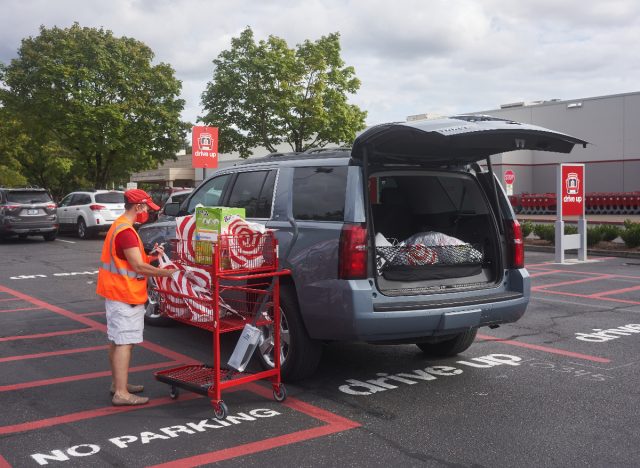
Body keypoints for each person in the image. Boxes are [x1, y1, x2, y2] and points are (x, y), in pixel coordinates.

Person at [96, 188, 178, 406]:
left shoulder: (120, 226)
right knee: (125, 343)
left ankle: (118, 384)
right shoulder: (126, 232)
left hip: (116, 292)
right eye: (147, 208)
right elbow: (137, 265)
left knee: (117, 340)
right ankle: (121, 393)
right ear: (138, 207)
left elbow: (132, 260)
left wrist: (153, 257)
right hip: (125, 294)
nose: (148, 213)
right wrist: (167, 272)